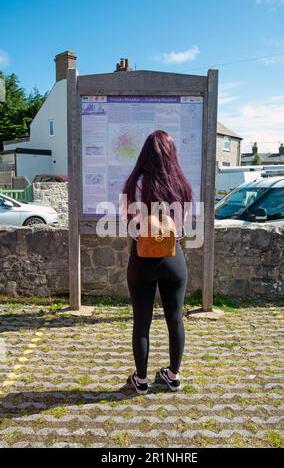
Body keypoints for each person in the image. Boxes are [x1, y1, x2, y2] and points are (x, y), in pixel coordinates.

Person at [121, 130, 193, 395]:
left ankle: (140, 380)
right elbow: (182, 227)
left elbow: (129, 227)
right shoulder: (181, 183)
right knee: (175, 318)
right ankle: (172, 376)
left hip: (141, 259)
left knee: (142, 321)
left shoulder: (134, 183)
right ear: (171, 153)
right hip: (173, 258)